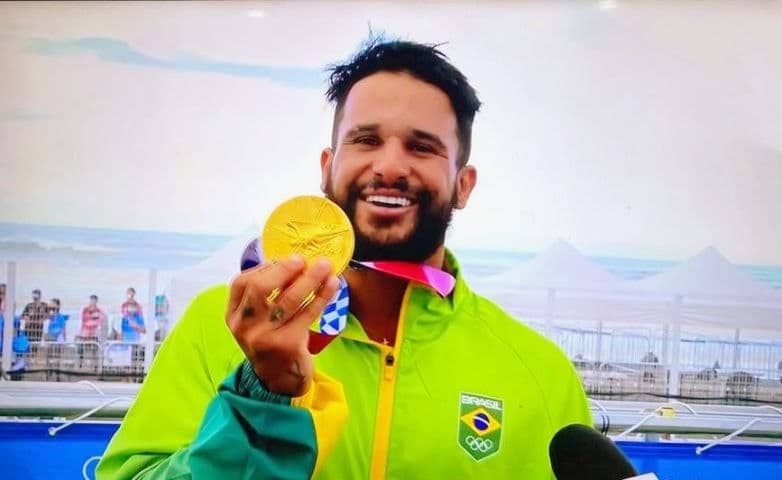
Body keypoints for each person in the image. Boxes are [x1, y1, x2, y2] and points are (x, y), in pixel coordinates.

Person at [97, 39, 591, 479]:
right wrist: (261, 396)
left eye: (422, 147)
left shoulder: (540, 373)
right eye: (366, 140)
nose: (390, 166)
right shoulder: (224, 323)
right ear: (328, 167)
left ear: (463, 185)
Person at [77, 294, 106, 368]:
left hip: (94, 332)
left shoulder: (99, 310)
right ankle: (80, 362)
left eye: (94, 300)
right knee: (80, 347)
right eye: (91, 300)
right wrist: (93, 318)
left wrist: (93, 319)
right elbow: (85, 320)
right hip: (85, 331)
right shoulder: (85, 309)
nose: (92, 302)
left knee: (94, 348)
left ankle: (95, 364)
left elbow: (100, 320)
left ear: (96, 301)